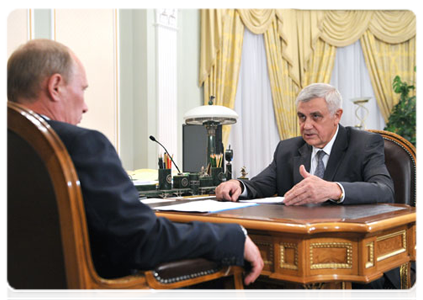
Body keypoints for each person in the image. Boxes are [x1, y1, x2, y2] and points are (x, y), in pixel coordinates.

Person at [5, 39, 263, 300]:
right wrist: (231, 237)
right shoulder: (82, 145)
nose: (85, 106)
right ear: (55, 86)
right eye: (82, 89)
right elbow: (141, 241)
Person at [216, 83, 396, 300]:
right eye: (302, 117)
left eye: (315, 117)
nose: (306, 125)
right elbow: (259, 184)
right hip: (298, 249)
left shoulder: (364, 143)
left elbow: (384, 190)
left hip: (354, 250)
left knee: (366, 282)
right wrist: (238, 185)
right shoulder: (288, 149)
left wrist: (334, 189)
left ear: (337, 115)